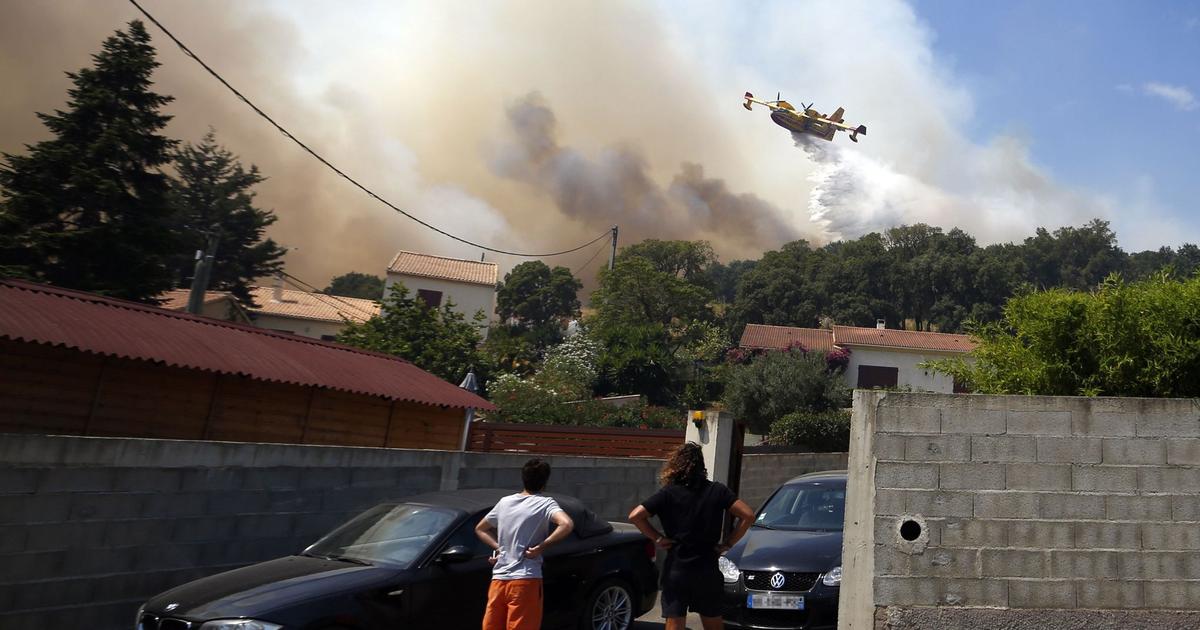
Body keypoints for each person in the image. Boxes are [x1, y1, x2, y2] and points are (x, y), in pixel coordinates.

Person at [629, 443, 755, 630]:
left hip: (677, 569)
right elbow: (748, 515)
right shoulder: (717, 491)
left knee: (675, 622)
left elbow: (635, 516)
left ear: (676, 464)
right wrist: (728, 543)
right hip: (707, 568)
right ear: (701, 466)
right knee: (713, 621)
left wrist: (658, 538)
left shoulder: (668, 493)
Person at [475, 458, 575, 630]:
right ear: (545, 483)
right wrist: (542, 546)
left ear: (523, 478)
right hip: (526, 580)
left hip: (499, 580)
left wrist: (500, 548)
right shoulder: (545, 503)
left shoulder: (505, 502)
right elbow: (566, 524)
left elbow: (480, 528)